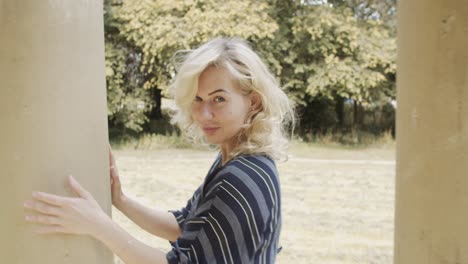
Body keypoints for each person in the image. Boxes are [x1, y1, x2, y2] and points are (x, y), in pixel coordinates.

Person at [23, 38, 295, 264]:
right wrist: (120, 200)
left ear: (253, 102)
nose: (204, 113)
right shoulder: (237, 160)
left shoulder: (241, 176)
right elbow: (182, 227)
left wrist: (98, 225)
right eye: (198, 99)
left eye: (219, 99)